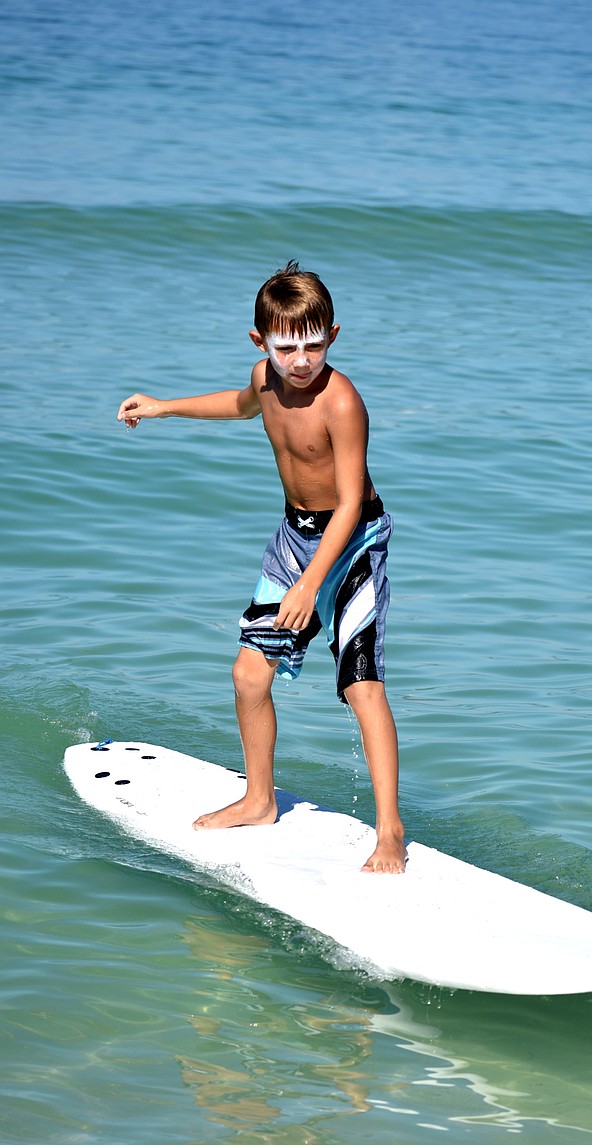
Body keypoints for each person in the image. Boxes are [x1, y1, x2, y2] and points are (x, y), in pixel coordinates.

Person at [117, 262, 407, 873]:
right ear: (261, 344)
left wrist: (310, 585)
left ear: (333, 334)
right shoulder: (265, 380)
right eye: (286, 347)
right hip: (294, 536)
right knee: (250, 674)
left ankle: (389, 831)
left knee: (362, 685)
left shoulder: (342, 401)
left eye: (314, 343)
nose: (301, 360)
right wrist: (165, 406)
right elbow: (241, 405)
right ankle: (258, 798)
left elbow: (351, 504)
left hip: (354, 541)